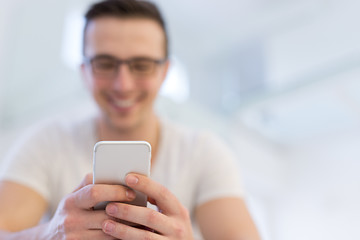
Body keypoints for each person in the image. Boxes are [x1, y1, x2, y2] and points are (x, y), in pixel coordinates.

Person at [0, 0, 261, 239]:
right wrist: (49, 233)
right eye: (105, 63)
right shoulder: (47, 143)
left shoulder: (204, 152)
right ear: (84, 71)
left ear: (164, 72)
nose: (123, 85)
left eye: (141, 64)